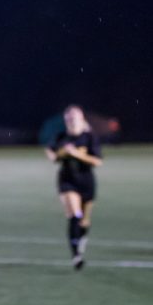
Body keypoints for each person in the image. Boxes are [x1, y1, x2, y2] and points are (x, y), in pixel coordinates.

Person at [45, 105, 103, 269]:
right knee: (74, 215)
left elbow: (98, 161)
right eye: (69, 117)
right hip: (67, 180)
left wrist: (77, 154)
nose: (71, 120)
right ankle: (76, 255)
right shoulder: (61, 137)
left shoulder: (89, 137)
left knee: (84, 221)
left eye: (75, 117)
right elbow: (51, 155)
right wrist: (62, 153)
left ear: (81, 118)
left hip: (86, 181)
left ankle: (81, 238)